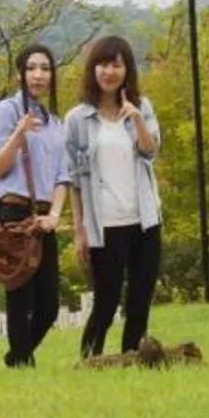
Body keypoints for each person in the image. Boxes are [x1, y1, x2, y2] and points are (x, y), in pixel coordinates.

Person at [55, 34, 162, 359]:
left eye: (116, 65)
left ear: (127, 70)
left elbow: (151, 151)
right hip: (105, 223)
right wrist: (79, 229)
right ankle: (89, 359)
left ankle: (133, 356)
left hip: (144, 218)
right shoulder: (77, 119)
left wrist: (136, 118)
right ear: (93, 69)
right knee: (106, 299)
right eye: (103, 64)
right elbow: (73, 178)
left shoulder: (141, 107)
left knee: (140, 297)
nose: (109, 72)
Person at [0, 44, 66, 368]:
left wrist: (55, 215)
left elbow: (63, 176)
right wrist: (18, 134)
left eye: (45, 68)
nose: (38, 75)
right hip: (13, 211)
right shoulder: (7, 110)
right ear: (21, 73)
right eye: (32, 68)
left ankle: (16, 356)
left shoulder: (56, 124)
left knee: (49, 305)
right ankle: (22, 363)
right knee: (20, 295)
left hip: (43, 216)